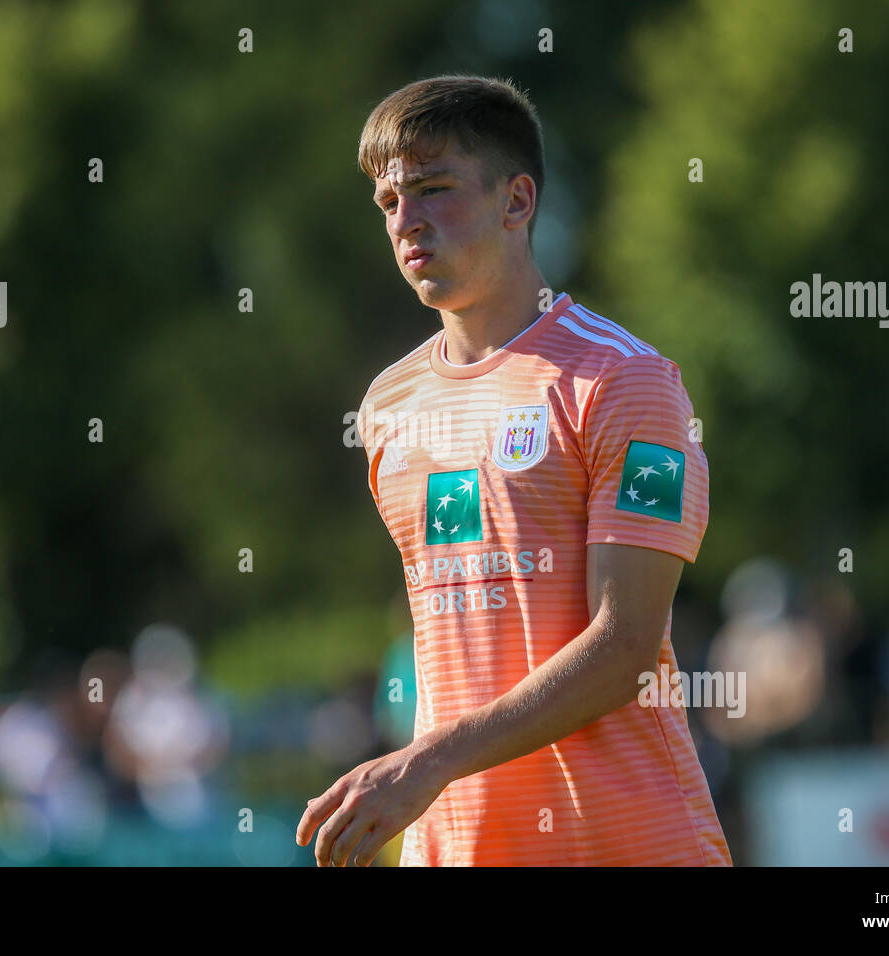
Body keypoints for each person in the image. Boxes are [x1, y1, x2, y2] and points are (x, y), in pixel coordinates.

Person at [296, 74, 732, 866]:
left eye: (434, 189)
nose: (408, 221)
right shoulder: (388, 405)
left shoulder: (624, 381)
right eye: (389, 203)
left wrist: (426, 762)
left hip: (625, 846)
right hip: (458, 849)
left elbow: (627, 644)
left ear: (518, 201)